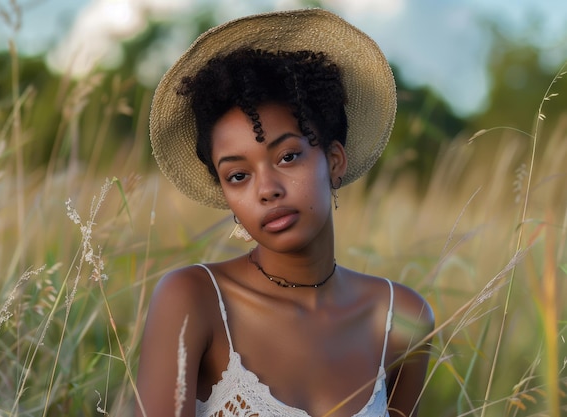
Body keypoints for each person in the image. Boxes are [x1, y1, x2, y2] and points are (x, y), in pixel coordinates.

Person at [137, 8, 434, 417]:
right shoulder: (193, 299)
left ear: (334, 160)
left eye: (288, 156)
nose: (267, 190)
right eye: (239, 175)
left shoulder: (401, 317)